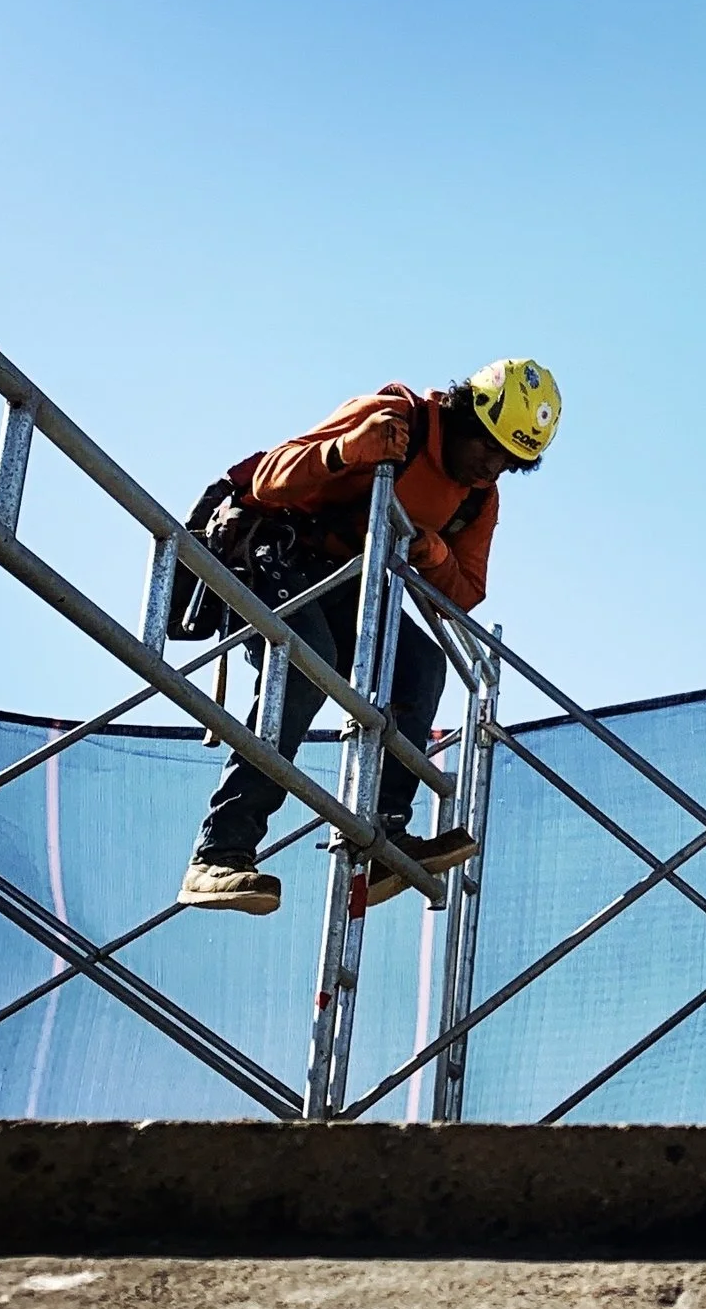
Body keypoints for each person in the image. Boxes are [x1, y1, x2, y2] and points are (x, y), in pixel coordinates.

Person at [177, 358, 562, 915]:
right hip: (269, 555)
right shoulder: (394, 417)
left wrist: (434, 557)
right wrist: (344, 452)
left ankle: (382, 834)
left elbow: (466, 591)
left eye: (511, 459)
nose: (493, 465)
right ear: (464, 414)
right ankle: (219, 853)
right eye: (489, 445)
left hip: (341, 581)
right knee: (305, 666)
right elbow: (269, 477)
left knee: (421, 667)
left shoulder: (478, 495)